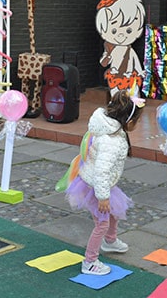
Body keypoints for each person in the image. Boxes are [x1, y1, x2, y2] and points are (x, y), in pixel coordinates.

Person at [65, 90, 145, 275]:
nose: (138, 125)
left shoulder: (110, 129)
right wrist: (103, 197)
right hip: (96, 185)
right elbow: (102, 170)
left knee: (114, 212)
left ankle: (110, 241)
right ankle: (90, 262)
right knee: (101, 223)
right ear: (128, 121)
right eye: (137, 121)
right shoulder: (112, 141)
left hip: (99, 182)